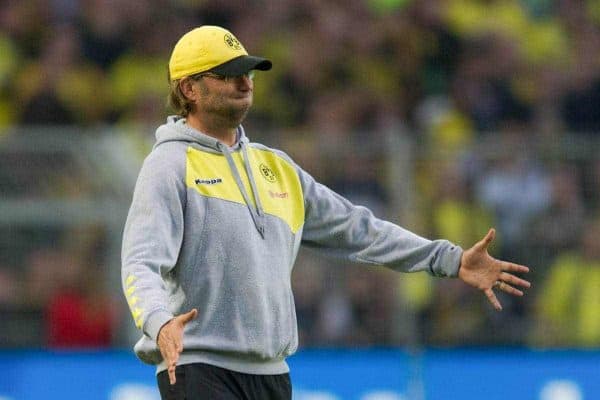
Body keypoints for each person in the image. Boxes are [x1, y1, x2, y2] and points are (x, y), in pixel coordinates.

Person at [121, 25, 531, 400]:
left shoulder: (277, 168)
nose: (244, 82)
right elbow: (140, 262)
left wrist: (451, 259)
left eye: (248, 72)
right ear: (190, 88)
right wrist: (159, 322)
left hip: (272, 374)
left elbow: (360, 229)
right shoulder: (169, 165)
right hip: (198, 368)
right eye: (227, 74)